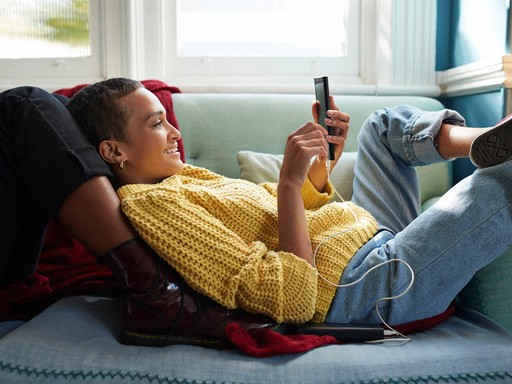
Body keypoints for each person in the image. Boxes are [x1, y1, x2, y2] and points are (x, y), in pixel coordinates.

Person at [1, 79, 511, 348]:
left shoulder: (183, 179)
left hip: (366, 238)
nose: (175, 133)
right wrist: (290, 185)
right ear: (113, 152)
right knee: (502, 183)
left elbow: (286, 213)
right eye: (158, 123)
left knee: (381, 125)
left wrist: (314, 171)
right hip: (367, 287)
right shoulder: (154, 205)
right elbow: (290, 296)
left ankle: (483, 140)